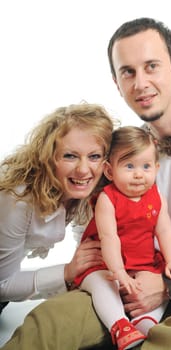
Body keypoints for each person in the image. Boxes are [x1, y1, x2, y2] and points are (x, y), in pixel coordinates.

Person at [1, 17, 171, 350]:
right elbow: (92, 216)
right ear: (116, 82)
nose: (140, 83)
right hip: (126, 282)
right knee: (49, 321)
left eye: (152, 66)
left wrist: (169, 285)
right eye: (128, 72)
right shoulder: (118, 149)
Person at [74, 126, 171, 350]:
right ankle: (118, 325)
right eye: (129, 166)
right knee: (104, 285)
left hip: (143, 260)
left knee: (162, 282)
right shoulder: (107, 199)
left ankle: (147, 321)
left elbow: (164, 230)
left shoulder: (156, 196)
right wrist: (118, 272)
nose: (139, 174)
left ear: (156, 168)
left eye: (146, 167)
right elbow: (109, 238)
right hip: (106, 262)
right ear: (109, 171)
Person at [0, 103, 115, 311]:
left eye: (94, 156)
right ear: (48, 157)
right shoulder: (18, 197)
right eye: (70, 156)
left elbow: (86, 241)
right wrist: (66, 272)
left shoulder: (91, 190)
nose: (83, 169)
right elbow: (1, 285)